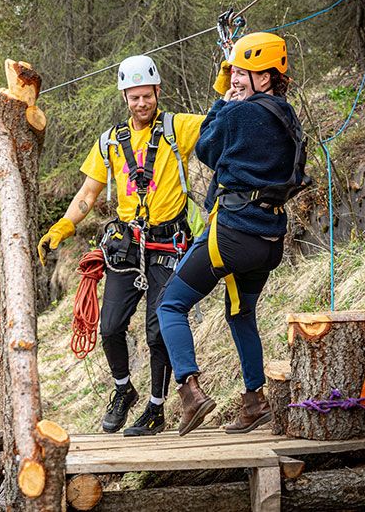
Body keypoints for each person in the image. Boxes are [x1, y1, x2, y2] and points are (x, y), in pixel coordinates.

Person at [38, 55, 205, 436]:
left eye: (147, 96)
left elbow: (219, 119)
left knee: (158, 330)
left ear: (158, 92)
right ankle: (123, 389)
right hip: (127, 245)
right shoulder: (110, 142)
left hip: (169, 242)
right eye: (134, 98)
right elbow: (88, 193)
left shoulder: (178, 128)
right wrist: (63, 226)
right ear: (125, 98)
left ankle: (157, 408)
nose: (141, 104)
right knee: (111, 327)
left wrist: (233, 82)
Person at [157, 32, 305, 436]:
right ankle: (255, 401)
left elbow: (205, 146)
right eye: (234, 73)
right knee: (240, 314)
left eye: (243, 72)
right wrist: (235, 87)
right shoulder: (286, 114)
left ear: (264, 75)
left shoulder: (240, 114)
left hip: (234, 232)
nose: (236, 78)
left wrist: (222, 98)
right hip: (270, 236)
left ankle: (189, 391)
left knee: (169, 306)